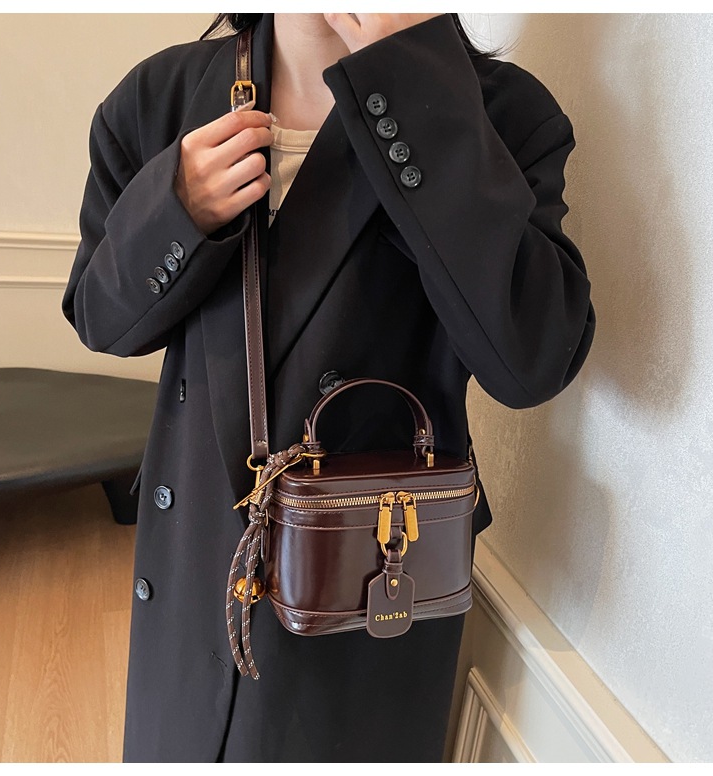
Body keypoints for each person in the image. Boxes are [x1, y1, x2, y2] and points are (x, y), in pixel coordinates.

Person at [62, 12, 595, 763]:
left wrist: (414, 89)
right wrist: (176, 207)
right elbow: (102, 319)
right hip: (195, 561)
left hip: (371, 586)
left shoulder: (501, 112)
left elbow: (530, 360)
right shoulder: (160, 98)